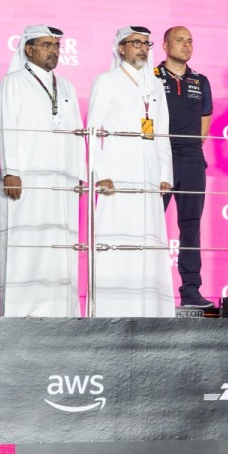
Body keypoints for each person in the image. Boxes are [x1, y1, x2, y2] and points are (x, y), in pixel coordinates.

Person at [0, 25, 85, 317]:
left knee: (61, 243)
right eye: (46, 45)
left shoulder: (67, 86)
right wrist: (11, 170)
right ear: (28, 49)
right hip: (26, 179)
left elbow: (77, 132)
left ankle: (61, 310)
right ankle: (23, 311)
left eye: (56, 46)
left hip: (63, 181)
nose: (53, 51)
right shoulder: (14, 82)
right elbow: (6, 126)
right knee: (27, 242)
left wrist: (80, 175)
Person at [87, 26, 175, 317]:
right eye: (135, 43)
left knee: (148, 236)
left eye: (146, 44)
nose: (142, 49)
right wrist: (101, 173)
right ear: (121, 48)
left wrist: (165, 174)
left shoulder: (155, 84)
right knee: (118, 235)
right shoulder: (107, 81)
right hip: (117, 172)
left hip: (149, 172)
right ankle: (113, 308)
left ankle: (151, 309)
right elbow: (92, 131)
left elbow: (161, 131)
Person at [156, 26, 214, 308]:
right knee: (151, 225)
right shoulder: (152, 77)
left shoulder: (200, 81)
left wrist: (192, 148)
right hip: (160, 157)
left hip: (191, 158)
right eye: (179, 40)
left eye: (190, 40)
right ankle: (149, 287)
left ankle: (191, 290)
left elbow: (205, 119)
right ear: (165, 45)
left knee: (190, 228)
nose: (186, 45)